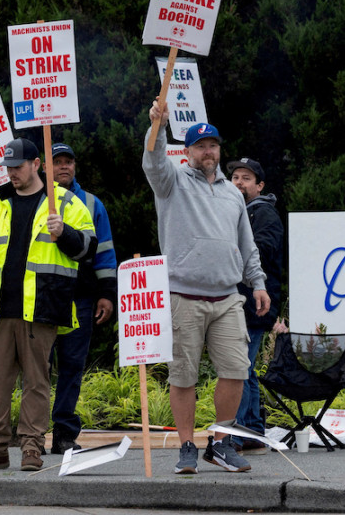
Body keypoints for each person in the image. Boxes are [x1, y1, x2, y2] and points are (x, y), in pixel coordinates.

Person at [0, 138, 97, 472]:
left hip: (42, 306)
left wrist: (66, 233)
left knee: (36, 381)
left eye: (18, 166)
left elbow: (89, 249)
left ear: (36, 164)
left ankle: (32, 447)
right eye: (8, 167)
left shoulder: (64, 202)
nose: (12, 173)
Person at [142, 102, 270, 475]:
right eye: (200, 146)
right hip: (183, 296)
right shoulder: (171, 181)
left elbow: (247, 244)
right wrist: (158, 126)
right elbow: (153, 160)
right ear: (187, 152)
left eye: (213, 145)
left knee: (236, 371)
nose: (208, 152)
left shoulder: (233, 194)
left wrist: (258, 283)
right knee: (183, 375)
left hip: (229, 296)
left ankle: (221, 443)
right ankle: (186, 447)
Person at [47, 143, 117, 454]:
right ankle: (32, 434)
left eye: (68, 162)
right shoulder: (34, 200)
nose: (64, 167)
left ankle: (63, 435)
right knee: (37, 368)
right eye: (57, 162)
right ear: (44, 167)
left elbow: (105, 252)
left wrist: (106, 294)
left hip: (81, 297)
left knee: (72, 366)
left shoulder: (91, 203)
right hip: (42, 297)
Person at [227, 157, 284, 454]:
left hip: (253, 305)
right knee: (244, 368)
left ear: (260, 186)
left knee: (240, 368)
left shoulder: (263, 214)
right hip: (240, 303)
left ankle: (241, 433)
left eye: (246, 178)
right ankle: (250, 430)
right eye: (235, 177)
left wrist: (226, 248)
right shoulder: (236, 213)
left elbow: (259, 252)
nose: (238, 182)